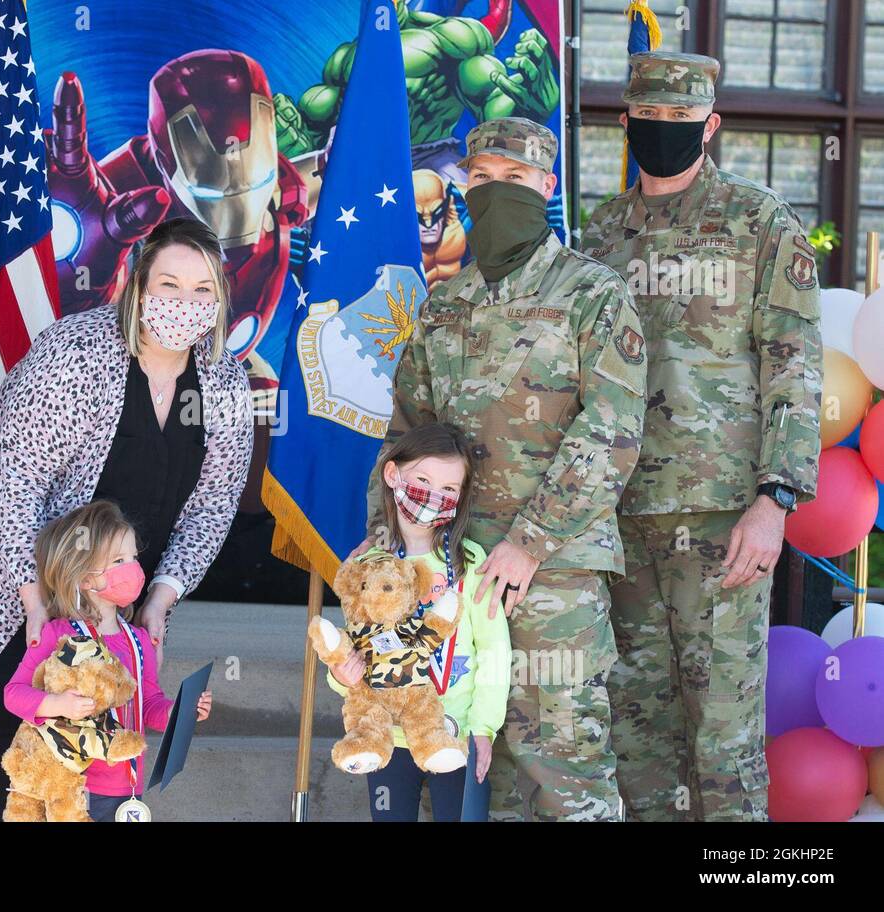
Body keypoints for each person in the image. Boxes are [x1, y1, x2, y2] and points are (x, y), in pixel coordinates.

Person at [0, 217, 254, 821]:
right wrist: (35, 604)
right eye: (170, 284)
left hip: (103, 590)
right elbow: (13, 485)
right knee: (20, 742)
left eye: (203, 290)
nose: (185, 303)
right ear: (139, 286)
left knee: (89, 742)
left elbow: (211, 506)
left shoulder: (221, 381)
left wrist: (157, 606)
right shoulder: (81, 352)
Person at [362, 117, 647, 821]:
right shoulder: (447, 304)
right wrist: (388, 552)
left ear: (547, 187)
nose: (495, 192)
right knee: (460, 763)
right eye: (481, 179)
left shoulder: (594, 294)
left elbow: (611, 430)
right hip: (452, 576)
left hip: (552, 576)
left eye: (514, 179)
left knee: (562, 766)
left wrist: (531, 540)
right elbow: (406, 437)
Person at [582, 52, 822, 822]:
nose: (665, 136)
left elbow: (795, 367)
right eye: (650, 122)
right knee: (637, 737)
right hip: (619, 521)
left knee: (722, 741)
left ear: (711, 126)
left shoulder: (760, 224)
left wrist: (775, 499)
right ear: (627, 124)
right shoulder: (602, 231)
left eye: (682, 124)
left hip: (721, 520)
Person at [329, 423, 508, 822]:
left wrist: (484, 727)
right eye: (423, 480)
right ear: (393, 476)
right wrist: (341, 676)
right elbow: (346, 651)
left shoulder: (473, 564)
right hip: (388, 736)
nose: (434, 496)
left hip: (456, 734)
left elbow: (495, 650)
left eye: (449, 489)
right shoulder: (364, 569)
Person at [4, 501, 212, 822]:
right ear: (84, 578)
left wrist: (178, 711)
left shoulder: (140, 640)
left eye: (133, 558)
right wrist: (57, 703)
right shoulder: (56, 635)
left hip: (127, 790)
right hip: (75, 788)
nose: (132, 568)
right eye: (118, 560)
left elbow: (149, 705)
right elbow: (14, 694)